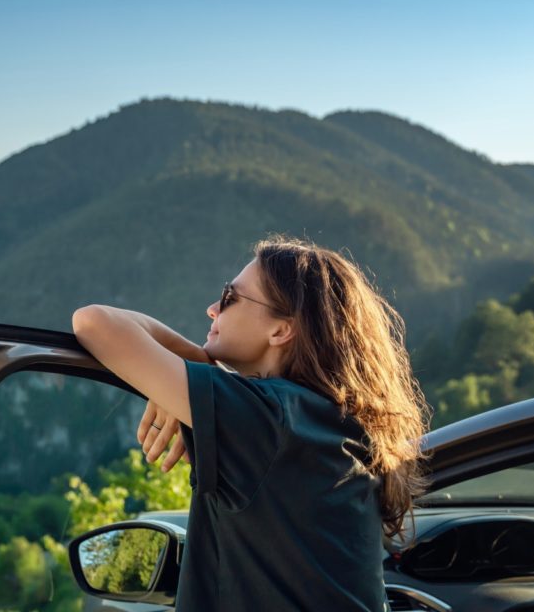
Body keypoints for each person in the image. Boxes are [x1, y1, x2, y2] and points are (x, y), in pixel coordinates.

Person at [71, 236, 431, 611]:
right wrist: (195, 378)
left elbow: (94, 323)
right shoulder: (332, 423)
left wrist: (198, 368)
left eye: (230, 298)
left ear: (280, 330)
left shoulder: (269, 418)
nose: (213, 309)